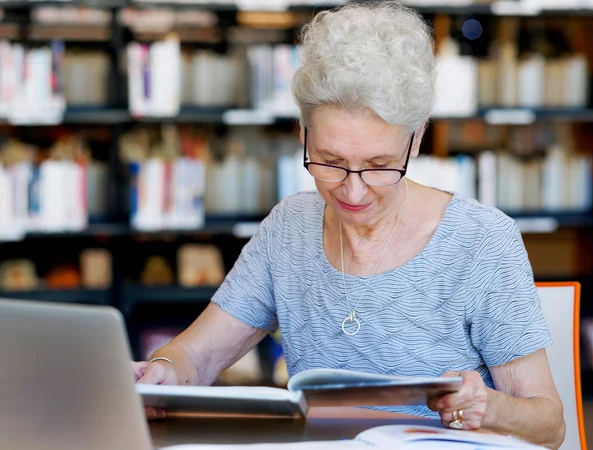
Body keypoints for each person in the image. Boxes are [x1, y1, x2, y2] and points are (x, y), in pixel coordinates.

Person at [133, 2, 565, 448]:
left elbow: (550, 426)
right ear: (303, 135)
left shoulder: (481, 241)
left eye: (379, 165)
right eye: (330, 162)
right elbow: (195, 355)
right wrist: (163, 370)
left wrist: (488, 408)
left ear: (415, 140)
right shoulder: (289, 230)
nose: (352, 193)